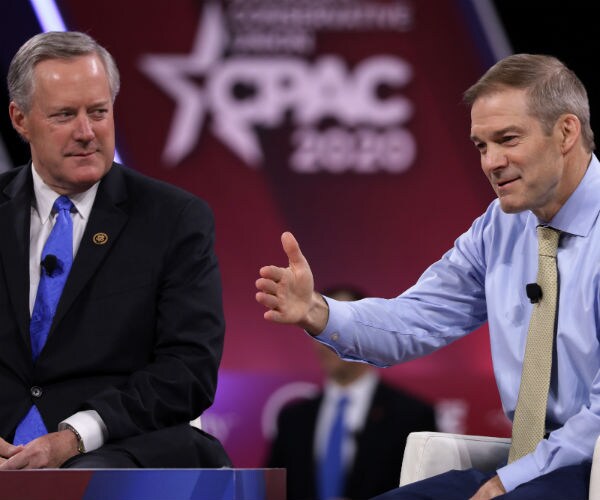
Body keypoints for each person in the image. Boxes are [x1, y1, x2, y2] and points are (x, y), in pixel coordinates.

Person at [256, 53, 598, 499]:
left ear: (566, 132)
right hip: (527, 465)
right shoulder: (499, 227)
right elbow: (414, 320)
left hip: (587, 464)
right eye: (481, 146)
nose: (492, 162)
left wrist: (509, 482)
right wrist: (318, 311)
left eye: (507, 139)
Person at [0, 31, 230, 469]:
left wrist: (74, 436)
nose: (87, 132)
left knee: (89, 481)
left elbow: (188, 370)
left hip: (112, 445)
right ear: (20, 119)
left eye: (99, 112)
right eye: (65, 115)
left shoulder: (173, 219)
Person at [266, 286, 438, 500]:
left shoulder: (411, 416)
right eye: (319, 331)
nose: (325, 343)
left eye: (337, 330)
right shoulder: (293, 419)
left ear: (367, 336)